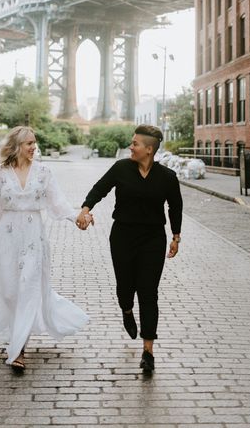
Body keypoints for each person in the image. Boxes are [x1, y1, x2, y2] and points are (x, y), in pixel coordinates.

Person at [0, 126, 88, 372]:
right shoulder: (1, 175)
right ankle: (19, 337)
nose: (33, 147)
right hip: (7, 239)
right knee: (11, 292)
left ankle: (18, 349)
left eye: (34, 142)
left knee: (28, 289)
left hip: (34, 238)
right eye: (28, 143)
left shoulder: (44, 172)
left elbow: (58, 203)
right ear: (16, 146)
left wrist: (77, 217)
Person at [76, 124, 182, 373]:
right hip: (123, 235)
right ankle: (126, 309)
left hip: (153, 239)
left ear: (149, 149)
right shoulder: (122, 168)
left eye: (135, 144)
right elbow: (100, 188)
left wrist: (176, 236)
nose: (130, 147)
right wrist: (85, 208)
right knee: (126, 287)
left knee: (148, 292)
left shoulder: (167, 177)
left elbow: (175, 207)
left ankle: (148, 352)